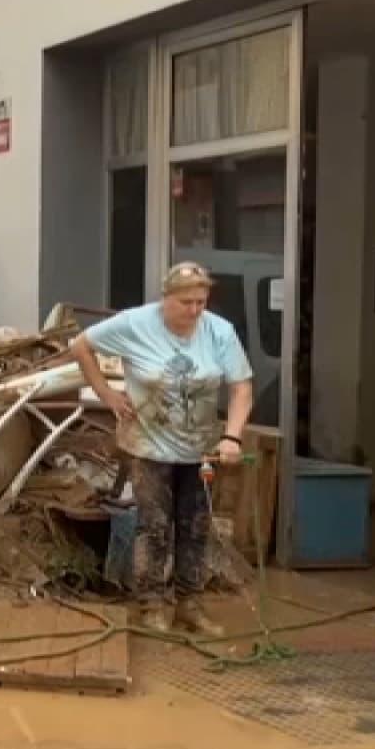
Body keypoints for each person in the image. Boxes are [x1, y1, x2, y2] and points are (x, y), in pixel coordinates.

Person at [73, 262, 253, 638]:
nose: (193, 310)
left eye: (201, 302)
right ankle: (151, 605)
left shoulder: (220, 331)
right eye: (185, 301)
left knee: (196, 526)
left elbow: (241, 388)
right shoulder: (134, 324)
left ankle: (190, 604)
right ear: (166, 297)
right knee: (153, 525)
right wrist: (107, 394)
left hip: (201, 448)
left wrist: (232, 436)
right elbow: (81, 345)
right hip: (148, 445)